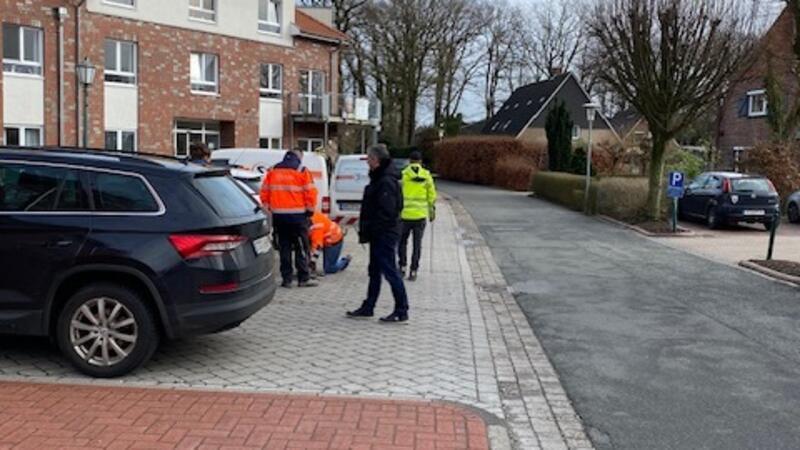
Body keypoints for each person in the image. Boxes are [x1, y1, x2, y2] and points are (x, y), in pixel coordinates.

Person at [346, 144, 409, 324]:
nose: (367, 162)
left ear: (376, 160)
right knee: (374, 271)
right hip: (378, 234)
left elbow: (387, 212)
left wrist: (374, 228)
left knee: (390, 271)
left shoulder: (385, 181)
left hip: (384, 234)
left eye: (369, 159)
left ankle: (401, 309)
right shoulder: (380, 178)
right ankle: (369, 306)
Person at [260, 149, 318, 288]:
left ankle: (287, 279)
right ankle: (303, 277)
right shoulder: (302, 170)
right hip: (297, 217)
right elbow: (310, 192)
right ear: (299, 157)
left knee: (284, 248)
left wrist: (269, 210)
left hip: (279, 217)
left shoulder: (273, 170)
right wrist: (310, 211)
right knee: (301, 247)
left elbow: (264, 192)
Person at [398, 151, 437, 281]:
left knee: (402, 242)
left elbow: (397, 195)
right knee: (417, 244)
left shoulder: (403, 175)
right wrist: (432, 213)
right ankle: (413, 270)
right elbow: (431, 197)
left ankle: (402, 266)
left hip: (404, 216)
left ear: (410, 161)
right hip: (420, 216)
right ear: (420, 162)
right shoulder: (426, 176)